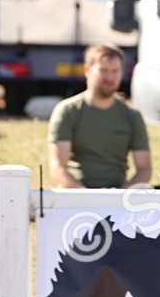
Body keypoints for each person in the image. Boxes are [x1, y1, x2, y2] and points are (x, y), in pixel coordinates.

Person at [48, 43, 151, 188]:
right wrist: (87, 197)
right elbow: (58, 167)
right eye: (103, 70)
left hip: (118, 197)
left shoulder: (132, 115)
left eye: (115, 71)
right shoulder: (67, 111)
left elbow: (144, 168)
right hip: (75, 194)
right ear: (87, 70)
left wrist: (120, 195)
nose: (110, 77)